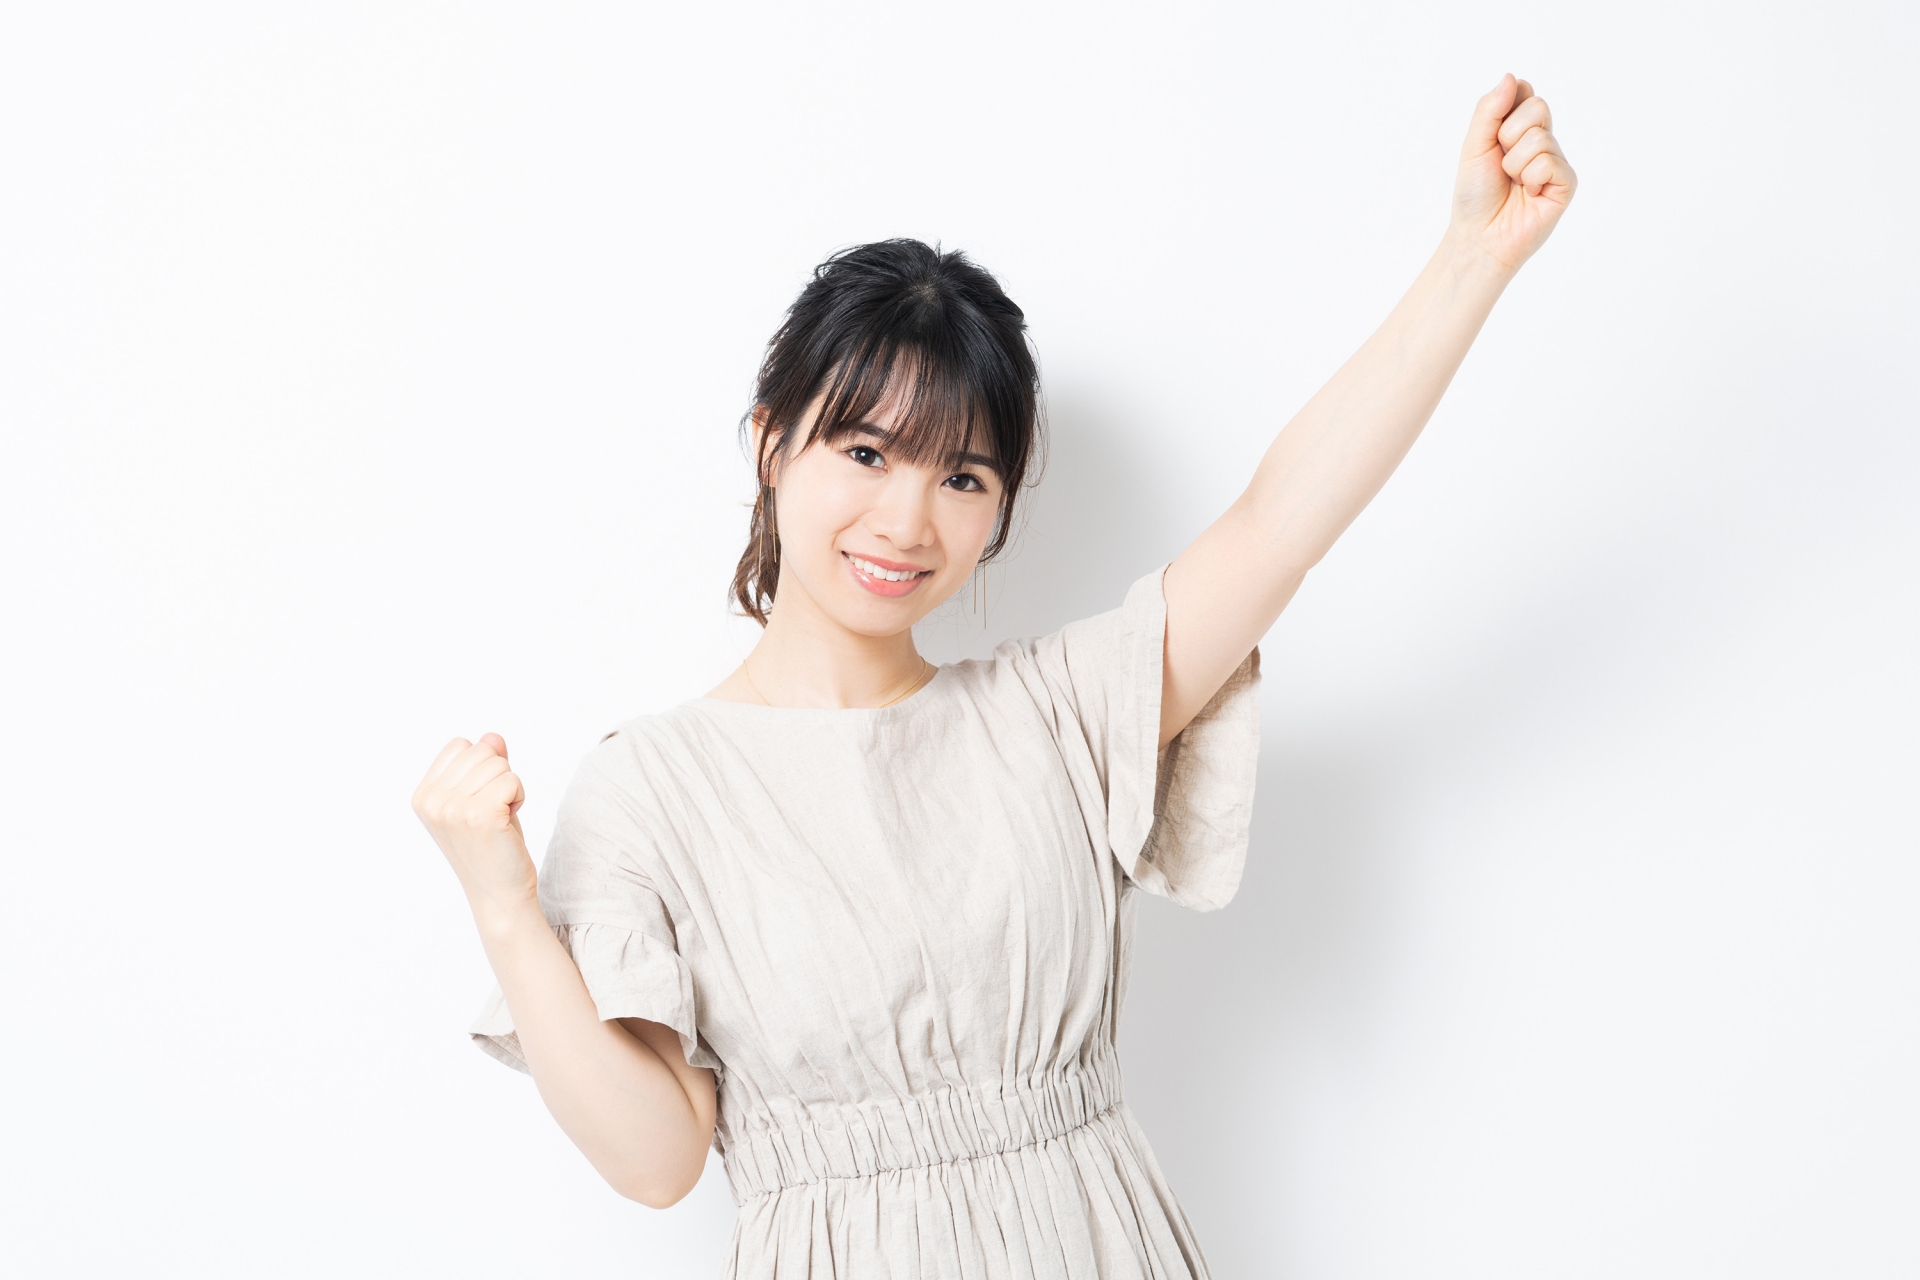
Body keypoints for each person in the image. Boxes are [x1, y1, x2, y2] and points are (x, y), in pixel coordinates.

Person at [413, 74, 1575, 1279]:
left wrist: (1471, 257)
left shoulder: (1055, 715)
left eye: (962, 476)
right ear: (770, 441)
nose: (906, 520)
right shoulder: (654, 790)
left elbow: (1279, 521)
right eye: (866, 451)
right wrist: (505, 904)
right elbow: (656, 1160)